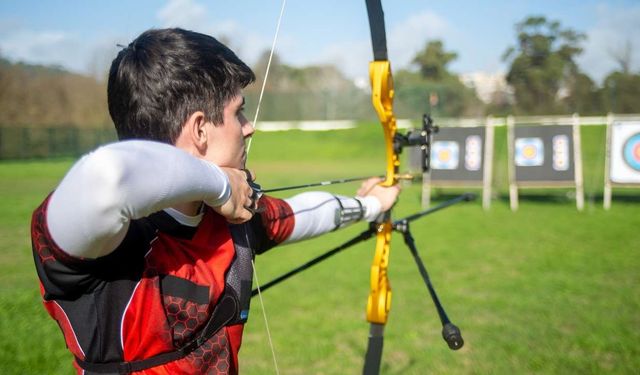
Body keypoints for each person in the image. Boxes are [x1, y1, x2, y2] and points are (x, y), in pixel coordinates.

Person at [31, 28, 400, 374]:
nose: (249, 126)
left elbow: (301, 214)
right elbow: (107, 176)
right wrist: (219, 184)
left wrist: (370, 205)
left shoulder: (232, 218)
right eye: (238, 111)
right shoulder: (106, 242)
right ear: (199, 129)